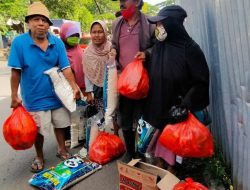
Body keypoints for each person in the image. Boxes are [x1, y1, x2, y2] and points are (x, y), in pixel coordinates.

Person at [8, 2, 80, 173]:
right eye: (36, 19)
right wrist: (14, 95)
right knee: (38, 131)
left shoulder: (57, 43)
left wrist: (74, 86)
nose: (41, 23)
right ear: (29, 22)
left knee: (61, 124)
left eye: (44, 20)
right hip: (34, 97)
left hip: (57, 95)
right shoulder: (19, 43)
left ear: (49, 24)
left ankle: (61, 149)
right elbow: (15, 72)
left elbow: (65, 67)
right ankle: (39, 156)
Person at [144, 5, 210, 170]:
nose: (158, 28)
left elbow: (201, 81)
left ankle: (173, 173)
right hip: (158, 106)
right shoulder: (159, 46)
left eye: (161, 24)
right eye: (156, 24)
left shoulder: (190, 48)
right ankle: (162, 170)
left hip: (177, 110)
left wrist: (186, 104)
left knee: (175, 148)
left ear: (172, 24)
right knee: (159, 146)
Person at [111, 0, 155, 162]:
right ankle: (130, 151)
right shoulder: (117, 24)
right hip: (124, 82)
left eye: (124, 0)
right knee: (125, 118)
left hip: (143, 82)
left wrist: (147, 54)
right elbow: (115, 45)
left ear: (137, 2)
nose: (121, 4)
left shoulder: (150, 23)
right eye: (120, 2)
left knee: (145, 119)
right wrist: (113, 51)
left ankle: (145, 153)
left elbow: (158, 47)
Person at [60, 22, 85, 145]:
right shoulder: (60, 50)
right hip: (67, 88)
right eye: (71, 35)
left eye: (77, 35)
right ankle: (67, 138)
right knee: (67, 114)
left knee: (79, 113)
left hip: (82, 87)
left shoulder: (78, 49)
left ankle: (81, 136)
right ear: (64, 35)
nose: (75, 37)